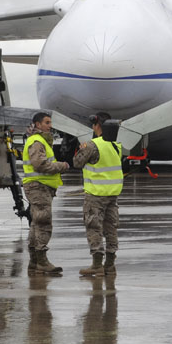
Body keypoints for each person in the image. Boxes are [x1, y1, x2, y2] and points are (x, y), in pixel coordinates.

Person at [73, 113, 123, 277]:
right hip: (112, 195)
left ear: (96, 125)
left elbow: (77, 163)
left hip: (95, 194)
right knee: (111, 229)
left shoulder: (92, 145)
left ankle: (96, 265)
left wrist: (81, 149)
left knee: (94, 227)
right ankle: (110, 265)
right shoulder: (116, 145)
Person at [23, 111, 71, 274]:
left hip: (41, 187)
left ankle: (35, 261)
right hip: (38, 187)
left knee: (36, 223)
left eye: (50, 123)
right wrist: (61, 166)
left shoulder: (41, 140)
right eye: (47, 123)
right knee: (43, 222)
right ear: (38, 125)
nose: (50, 126)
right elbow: (40, 164)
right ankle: (41, 261)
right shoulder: (37, 141)